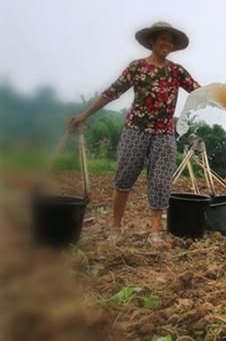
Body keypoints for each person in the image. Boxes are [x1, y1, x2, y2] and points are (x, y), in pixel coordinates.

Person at [68, 21, 200, 244]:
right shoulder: (137, 67)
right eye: (162, 39)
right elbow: (112, 92)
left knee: (160, 181)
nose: (166, 44)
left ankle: (155, 232)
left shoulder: (176, 71)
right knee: (124, 179)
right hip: (135, 130)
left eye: (170, 41)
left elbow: (199, 91)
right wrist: (84, 115)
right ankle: (115, 229)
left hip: (164, 133)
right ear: (152, 41)